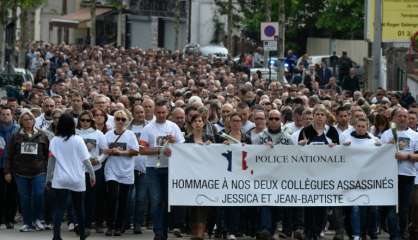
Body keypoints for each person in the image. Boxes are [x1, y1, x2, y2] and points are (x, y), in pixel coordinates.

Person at [139, 98, 185, 240]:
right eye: (158, 112)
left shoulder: (173, 127)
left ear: (168, 112)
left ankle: (163, 230)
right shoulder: (148, 128)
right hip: (153, 168)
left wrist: (174, 142)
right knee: (156, 200)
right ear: (154, 112)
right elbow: (142, 150)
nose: (161, 115)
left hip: (170, 168)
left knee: (166, 201)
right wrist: (160, 150)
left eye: (163, 112)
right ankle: (158, 232)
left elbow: (183, 148)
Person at [46, 113, 96, 240]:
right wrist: (92, 174)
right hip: (77, 179)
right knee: (79, 208)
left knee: (59, 208)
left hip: (60, 179)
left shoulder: (54, 141)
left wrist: (48, 179)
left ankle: (56, 236)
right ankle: (82, 235)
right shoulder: (78, 139)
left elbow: (51, 162)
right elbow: (86, 160)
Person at [298, 105, 340, 240]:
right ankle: (308, 231)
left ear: (326, 117)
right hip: (308, 174)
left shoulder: (332, 131)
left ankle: (319, 229)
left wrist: (335, 147)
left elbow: (339, 153)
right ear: (313, 116)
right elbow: (297, 152)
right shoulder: (305, 131)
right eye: (317, 114)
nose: (320, 117)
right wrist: (301, 145)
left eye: (322, 114)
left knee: (322, 204)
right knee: (309, 204)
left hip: (325, 175)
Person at [4, 110, 49, 232]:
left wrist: (48, 170)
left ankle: (39, 219)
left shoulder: (43, 135)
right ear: (21, 122)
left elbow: (47, 154)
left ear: (34, 120)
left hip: (39, 171)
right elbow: (9, 155)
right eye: (25, 119)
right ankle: (27, 222)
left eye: (30, 119)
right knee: (24, 198)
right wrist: (7, 171)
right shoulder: (15, 136)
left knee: (38, 195)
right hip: (20, 172)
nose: (28, 121)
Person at [381, 107, 418, 240]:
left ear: (408, 119)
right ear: (394, 118)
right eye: (399, 116)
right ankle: (394, 235)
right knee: (392, 209)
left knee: (404, 209)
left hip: (407, 176)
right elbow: (378, 155)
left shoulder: (415, 135)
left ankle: (403, 233)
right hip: (390, 176)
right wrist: (388, 148)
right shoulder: (387, 134)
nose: (402, 118)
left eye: (405, 116)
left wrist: (406, 156)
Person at [341, 117, 380, 240]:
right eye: (359, 126)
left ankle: (372, 232)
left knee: (373, 209)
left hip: (370, 180)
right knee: (356, 208)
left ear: (367, 127)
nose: (361, 128)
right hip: (352, 180)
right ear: (355, 126)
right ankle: (356, 234)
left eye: (363, 126)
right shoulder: (347, 140)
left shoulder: (374, 141)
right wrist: (342, 147)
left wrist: (382, 147)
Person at [103, 109, 139, 236]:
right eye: (117, 118)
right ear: (114, 120)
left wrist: (120, 152)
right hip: (111, 170)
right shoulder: (108, 135)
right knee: (112, 197)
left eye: (123, 119)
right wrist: (110, 151)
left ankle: (119, 226)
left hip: (126, 171)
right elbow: (103, 150)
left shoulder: (130, 135)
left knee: (124, 200)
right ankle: (110, 225)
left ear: (127, 121)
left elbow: (135, 151)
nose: (120, 121)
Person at [75, 111, 107, 232]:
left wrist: (98, 160)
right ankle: (81, 223)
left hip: (94, 170)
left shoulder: (98, 134)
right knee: (80, 198)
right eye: (82, 120)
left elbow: (105, 151)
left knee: (93, 198)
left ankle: (93, 223)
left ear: (91, 121)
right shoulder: (75, 133)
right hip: (79, 171)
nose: (84, 122)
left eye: (87, 120)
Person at [185, 113, 212, 240]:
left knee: (203, 204)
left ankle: (201, 231)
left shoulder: (209, 138)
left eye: (200, 121)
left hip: (206, 176)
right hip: (191, 176)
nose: (198, 123)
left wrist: (211, 146)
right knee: (192, 204)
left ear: (203, 123)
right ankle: (194, 230)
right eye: (195, 121)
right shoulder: (187, 140)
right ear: (191, 124)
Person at [0, 106, 19, 229]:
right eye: (3, 114)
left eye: (7, 114)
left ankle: (10, 219)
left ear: (12, 115)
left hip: (13, 167)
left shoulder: (17, 130)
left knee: (12, 194)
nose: (5, 116)